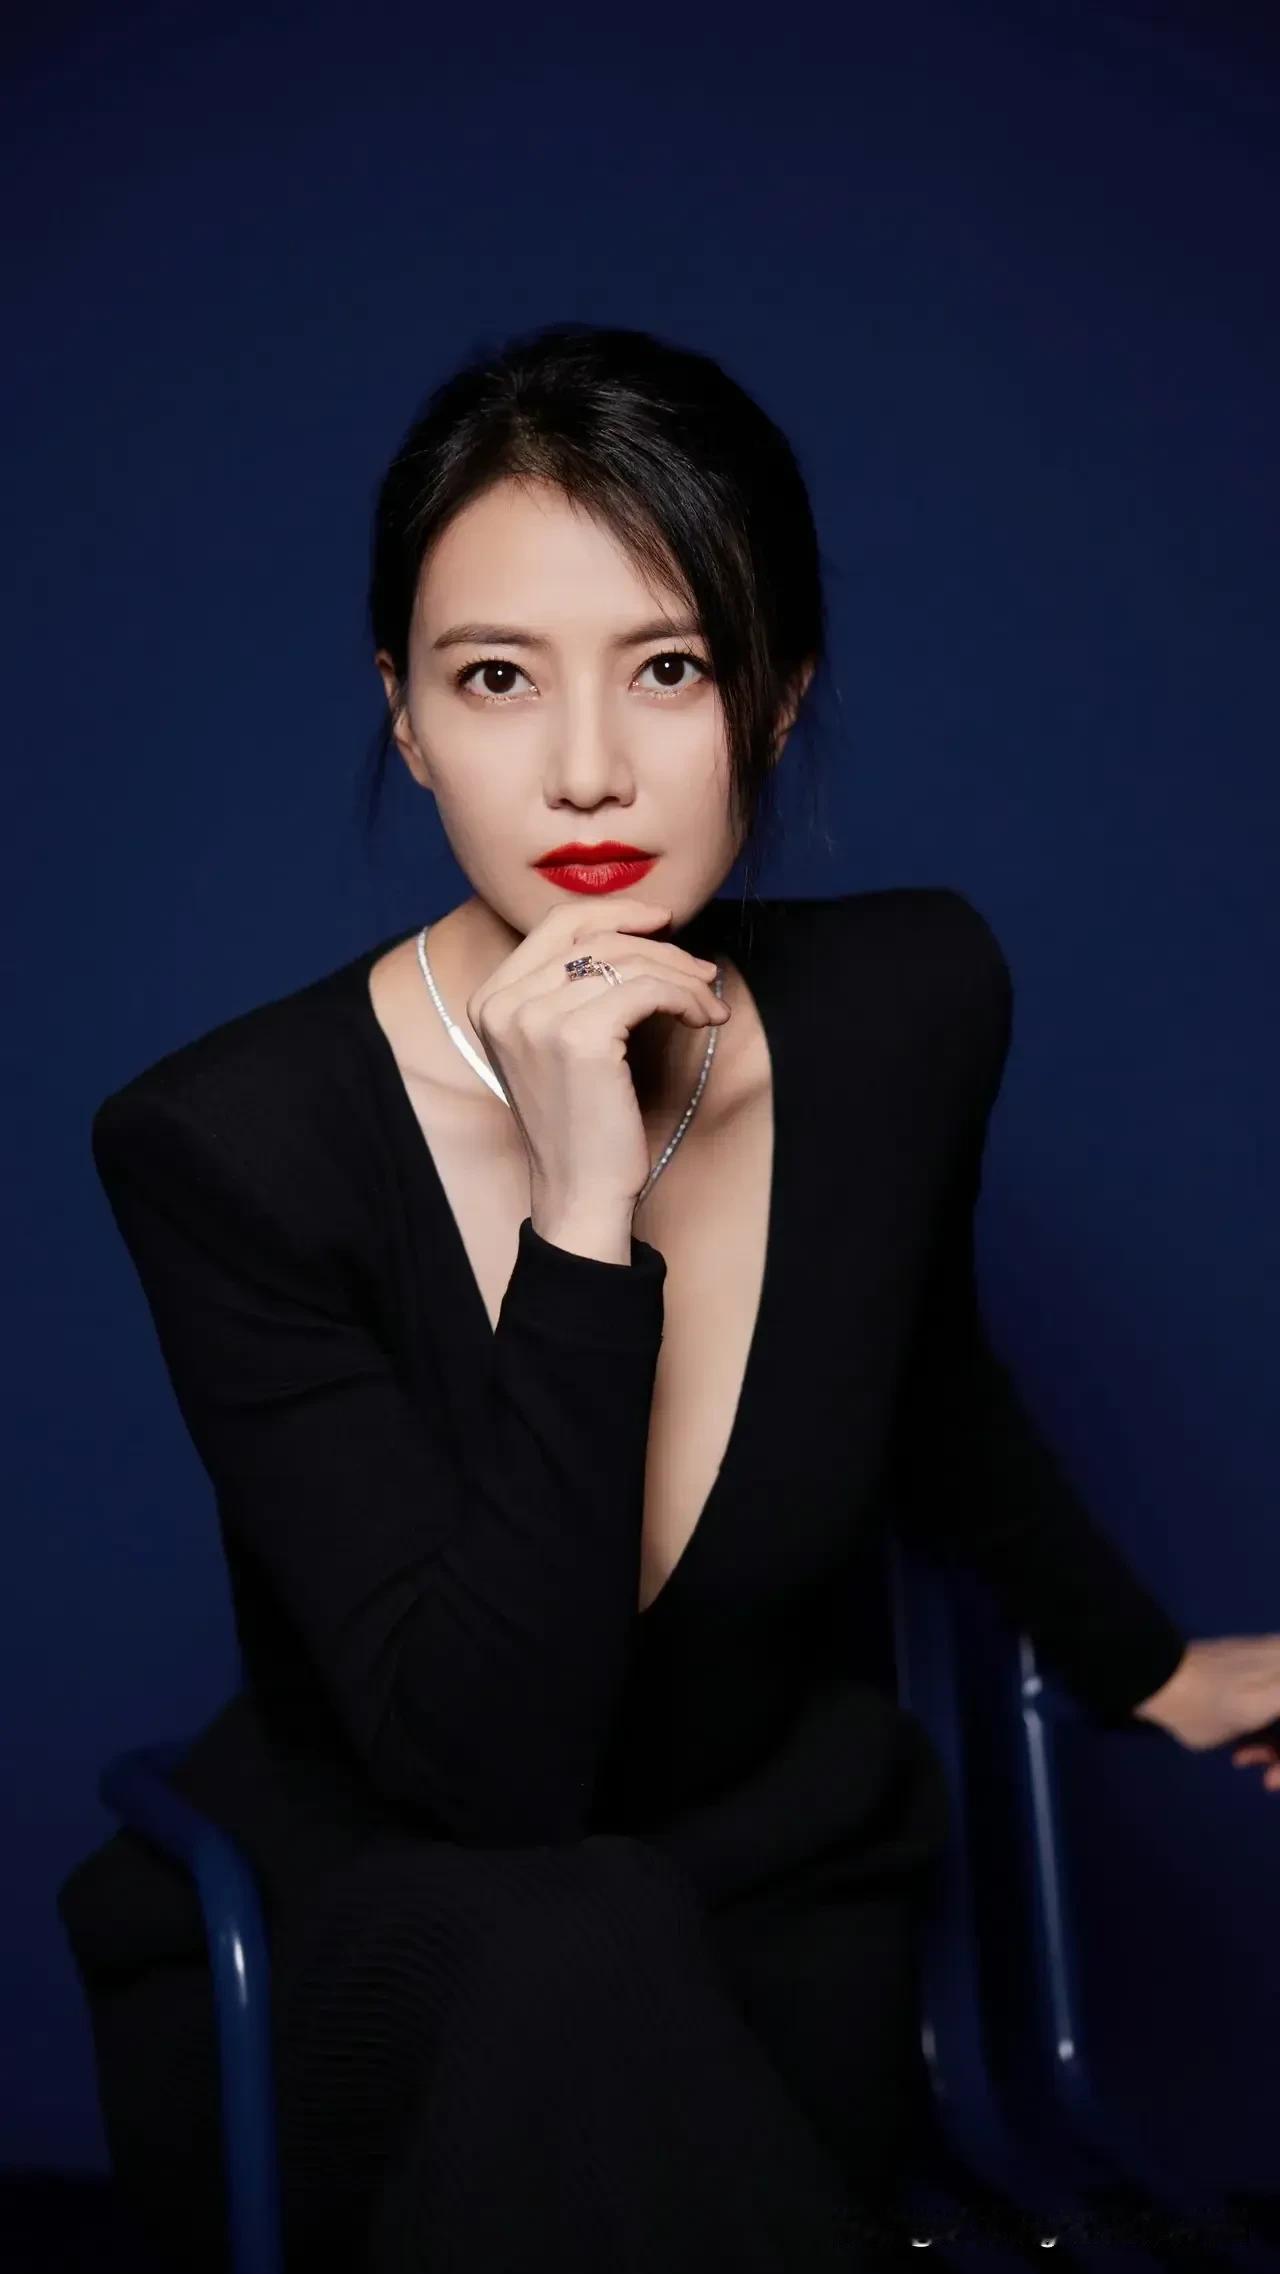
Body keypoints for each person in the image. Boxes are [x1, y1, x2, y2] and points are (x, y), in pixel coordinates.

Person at [57, 320, 1280, 2274]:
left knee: (638, 1978)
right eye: (494, 677)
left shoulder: (907, 1010)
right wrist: (584, 1202)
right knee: (557, 1935)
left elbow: (925, 1380)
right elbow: (493, 1780)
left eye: (671, 667)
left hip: (768, 1906)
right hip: (399, 1938)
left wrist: (1149, 1668)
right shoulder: (226, 1149)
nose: (587, 770)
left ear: (780, 696)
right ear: (403, 717)